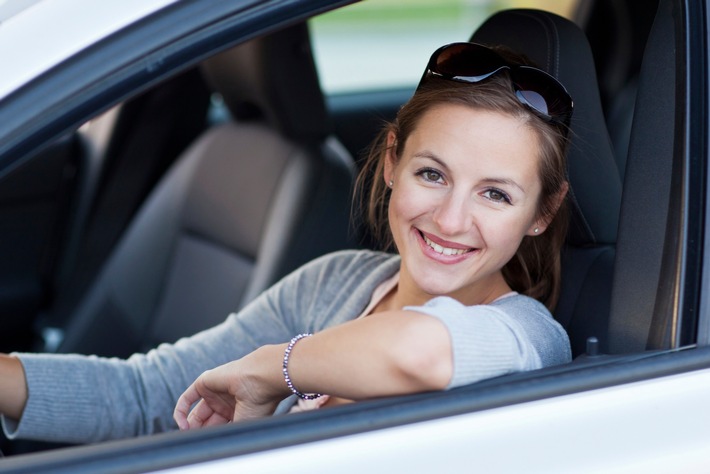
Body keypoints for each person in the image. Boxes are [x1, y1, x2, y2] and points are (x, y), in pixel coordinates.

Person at [0, 42, 572, 444]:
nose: (450, 219)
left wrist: (272, 369)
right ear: (392, 161)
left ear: (541, 213)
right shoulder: (336, 282)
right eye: (432, 174)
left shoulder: (527, 336)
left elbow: (418, 352)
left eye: (495, 195)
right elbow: (148, 394)